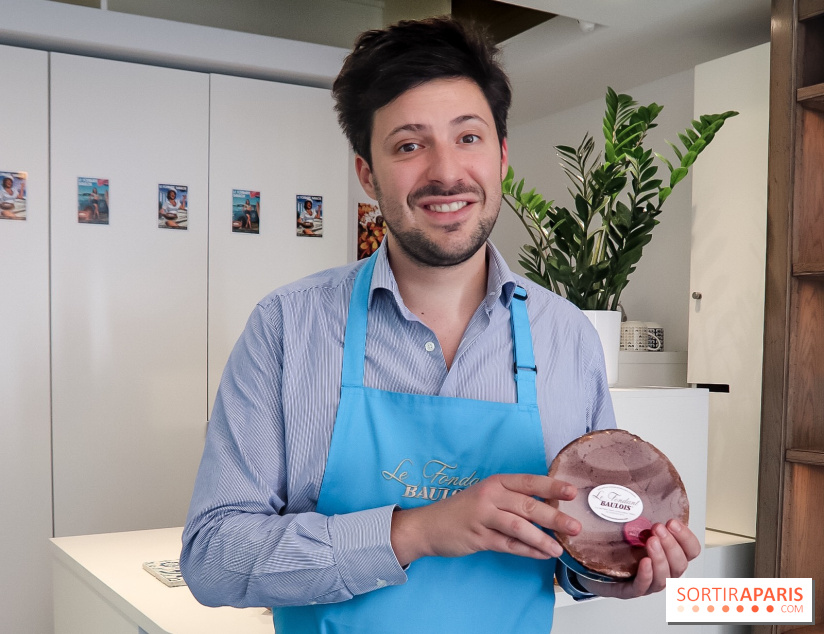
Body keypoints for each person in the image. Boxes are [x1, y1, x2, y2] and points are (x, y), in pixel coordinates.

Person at [181, 17, 699, 633]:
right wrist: (416, 531)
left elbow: (575, 548)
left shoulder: (566, 336)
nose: (446, 172)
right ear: (367, 173)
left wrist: (615, 566)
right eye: (408, 144)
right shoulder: (289, 329)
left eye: (469, 137)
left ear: (502, 155)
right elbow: (213, 558)